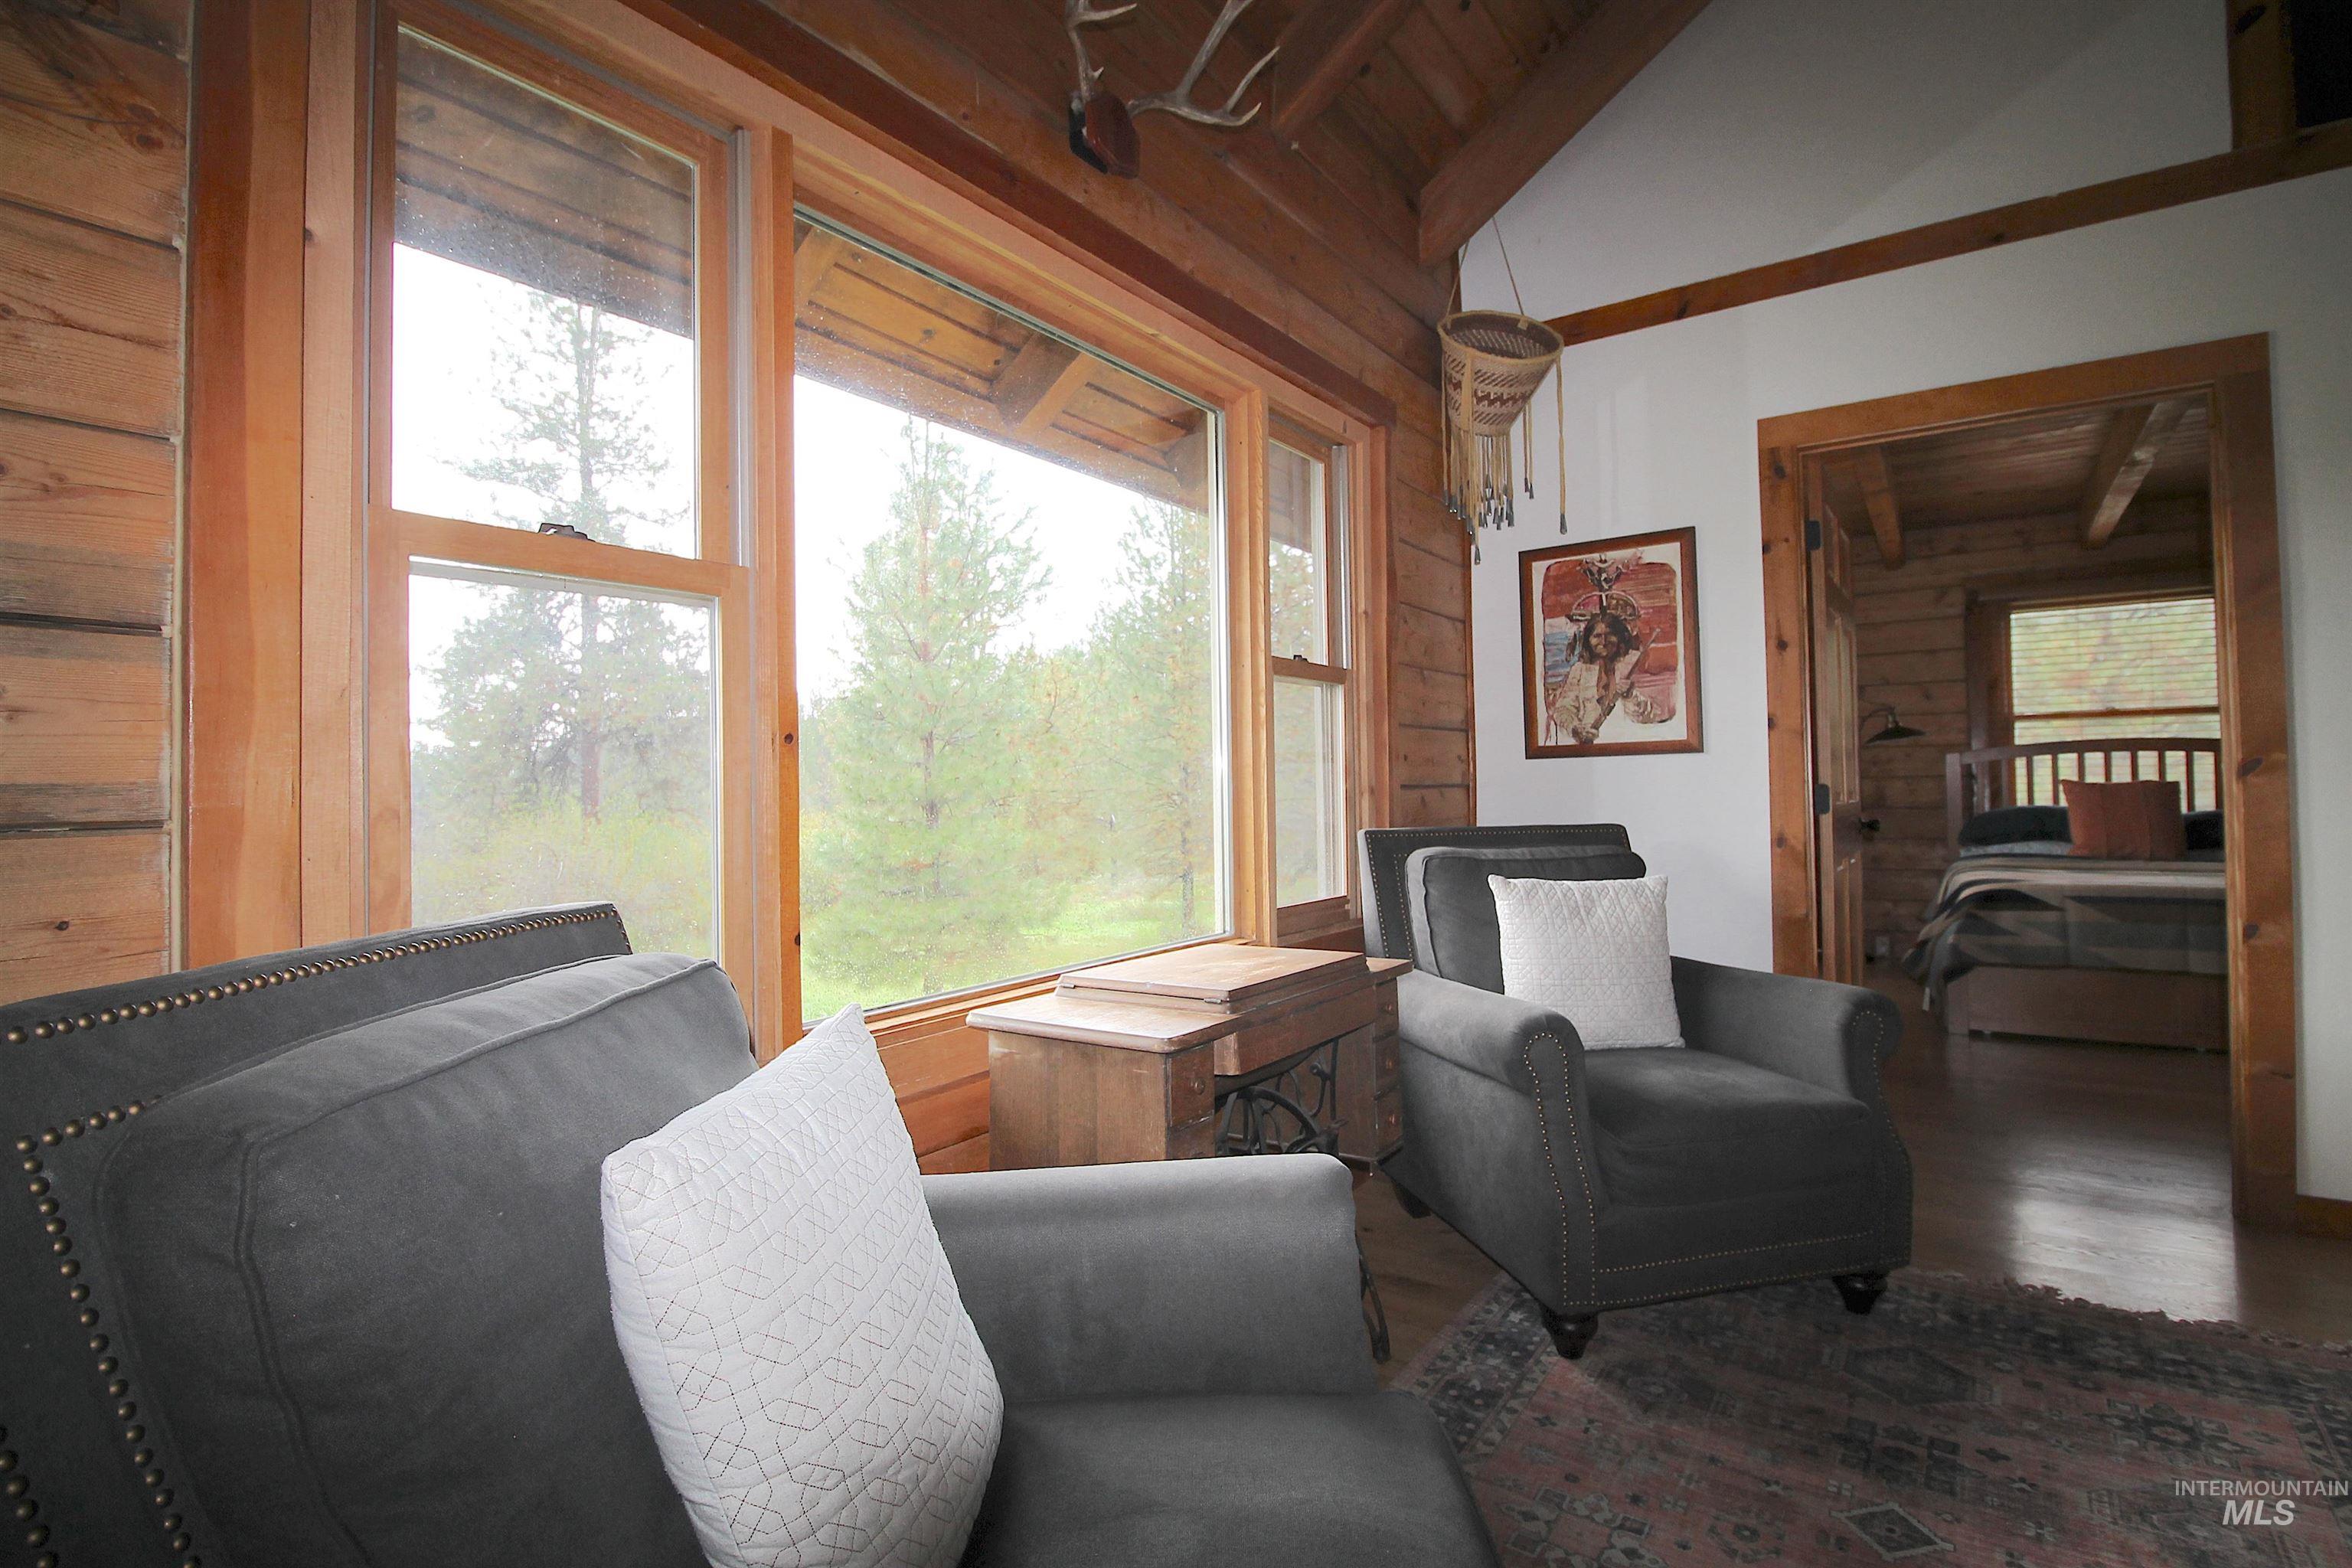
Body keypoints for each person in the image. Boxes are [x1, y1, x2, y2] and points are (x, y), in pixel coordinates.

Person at [1549, 609, 1666, 746]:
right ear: (1588, 640)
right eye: (1597, 636)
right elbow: (1563, 710)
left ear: (1619, 638)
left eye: (1609, 635)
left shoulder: (1632, 667)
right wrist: (1576, 729)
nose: (1603, 642)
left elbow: (1651, 716)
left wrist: (1630, 696)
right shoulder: (1580, 671)